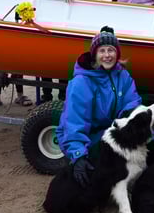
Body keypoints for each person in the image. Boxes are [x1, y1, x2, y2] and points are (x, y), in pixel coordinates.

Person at [55, 26, 143, 191]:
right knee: (90, 187)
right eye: (102, 50)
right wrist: (78, 154)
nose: (107, 55)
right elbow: (73, 122)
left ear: (117, 53)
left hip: (109, 132)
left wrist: (128, 121)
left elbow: (133, 102)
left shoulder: (122, 75)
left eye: (111, 50)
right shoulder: (82, 82)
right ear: (94, 54)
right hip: (84, 138)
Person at [17, 0, 68, 102]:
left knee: (62, 57)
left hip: (61, 18)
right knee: (44, 57)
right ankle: (46, 93)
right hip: (41, 19)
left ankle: (62, 92)